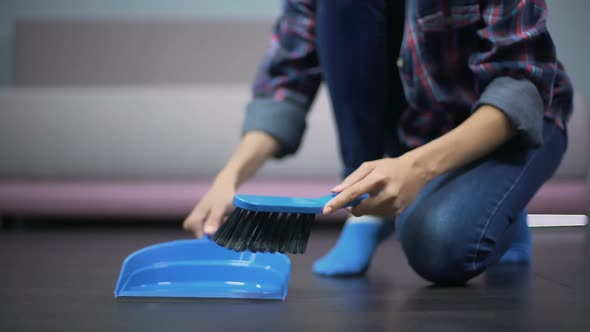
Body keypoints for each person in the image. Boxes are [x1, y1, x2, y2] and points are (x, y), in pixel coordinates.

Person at [183, 0, 573, 284]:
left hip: (508, 129)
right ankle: (367, 209)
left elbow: (520, 86)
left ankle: (501, 198)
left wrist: (415, 168)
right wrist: (231, 175)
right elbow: (285, 82)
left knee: (437, 244)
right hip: (412, 132)